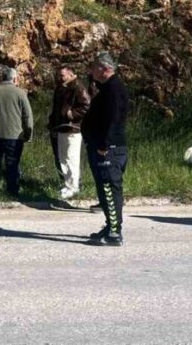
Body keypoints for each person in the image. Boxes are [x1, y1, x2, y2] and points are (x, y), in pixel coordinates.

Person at [82, 52, 129, 246]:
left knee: (110, 188)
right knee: (104, 188)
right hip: (103, 146)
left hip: (109, 148)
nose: (91, 70)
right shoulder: (107, 88)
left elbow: (113, 119)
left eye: (95, 66)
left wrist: (104, 144)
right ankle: (110, 225)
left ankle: (115, 233)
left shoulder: (114, 89)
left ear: (105, 68)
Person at [0, 66, 34, 198]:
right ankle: (12, 189)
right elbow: (27, 116)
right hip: (15, 135)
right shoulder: (20, 93)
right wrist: (28, 133)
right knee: (12, 162)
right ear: (14, 78)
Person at [48, 65, 91, 201]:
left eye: (63, 75)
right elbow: (56, 109)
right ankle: (68, 185)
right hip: (61, 127)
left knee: (71, 158)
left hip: (72, 128)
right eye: (59, 75)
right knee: (63, 158)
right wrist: (53, 125)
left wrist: (71, 114)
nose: (60, 78)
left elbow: (86, 104)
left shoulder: (77, 87)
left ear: (71, 74)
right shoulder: (61, 88)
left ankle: (74, 187)